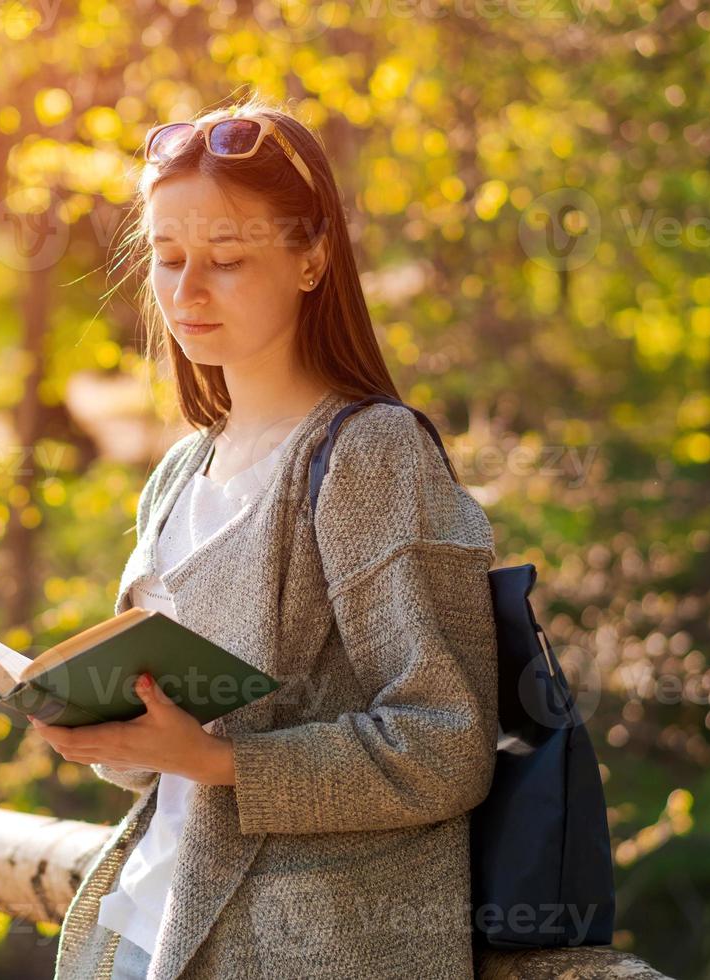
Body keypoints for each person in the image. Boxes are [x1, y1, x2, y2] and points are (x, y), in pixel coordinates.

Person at [25, 95, 500, 979]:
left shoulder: (370, 455)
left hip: (302, 949)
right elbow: (164, 767)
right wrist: (103, 729)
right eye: (166, 257)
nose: (186, 290)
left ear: (313, 256)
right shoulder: (179, 473)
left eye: (227, 259)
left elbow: (447, 743)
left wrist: (215, 757)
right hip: (150, 930)